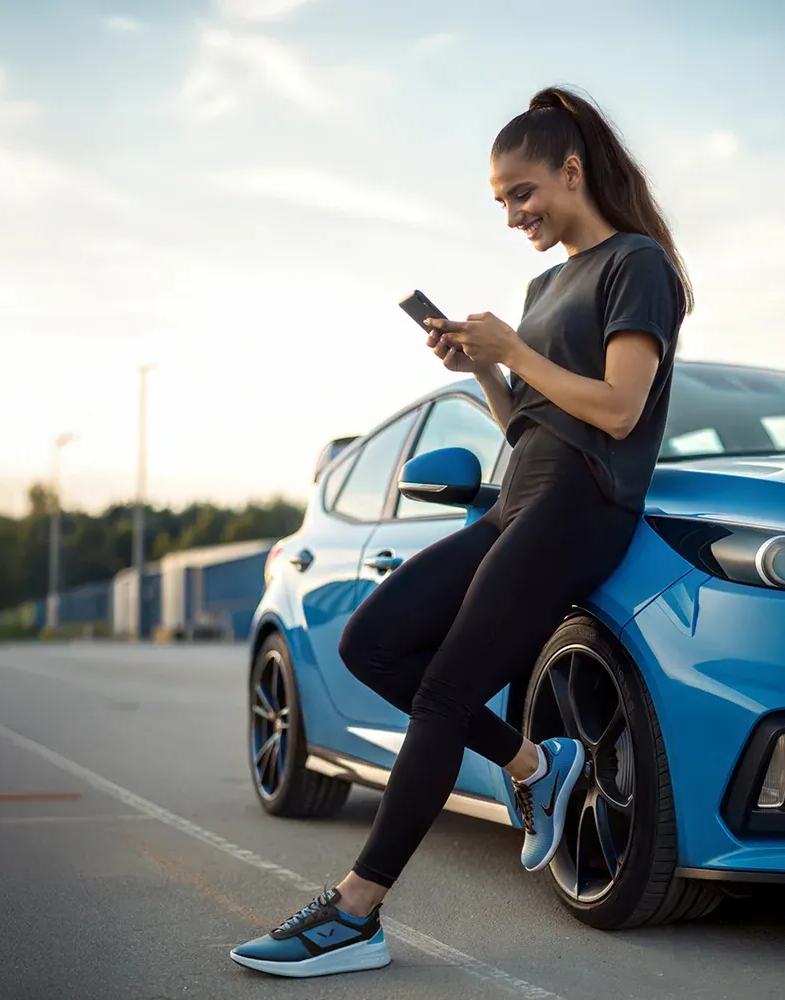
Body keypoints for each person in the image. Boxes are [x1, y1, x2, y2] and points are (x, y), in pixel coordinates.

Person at [230, 85, 691, 979]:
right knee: (370, 644)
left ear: (571, 171)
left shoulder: (638, 265)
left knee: (444, 691)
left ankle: (355, 913)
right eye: (500, 202)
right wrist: (485, 370)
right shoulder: (544, 284)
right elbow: (528, 427)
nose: (513, 215)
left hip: (581, 506)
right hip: (520, 497)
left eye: (522, 193)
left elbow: (619, 410)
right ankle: (534, 765)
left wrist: (513, 349)